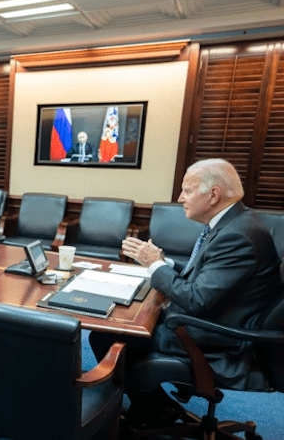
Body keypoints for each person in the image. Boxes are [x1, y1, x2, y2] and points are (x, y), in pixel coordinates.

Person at [89, 158, 281, 428]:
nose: (179, 198)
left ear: (213, 195)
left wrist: (156, 266)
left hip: (217, 341)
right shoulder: (237, 223)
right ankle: (154, 405)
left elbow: (196, 298)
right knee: (115, 329)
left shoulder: (237, 236)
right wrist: (163, 263)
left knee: (110, 334)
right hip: (216, 323)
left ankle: (152, 408)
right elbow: (207, 277)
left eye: (187, 190)